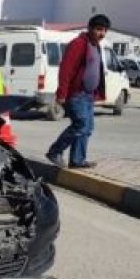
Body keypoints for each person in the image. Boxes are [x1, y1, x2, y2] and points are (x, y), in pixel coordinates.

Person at [46, 14, 111, 169]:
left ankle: (77, 160)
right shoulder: (79, 44)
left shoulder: (96, 46)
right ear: (90, 28)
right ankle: (55, 152)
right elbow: (66, 69)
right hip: (77, 94)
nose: (101, 33)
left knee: (87, 128)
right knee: (80, 125)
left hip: (88, 95)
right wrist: (61, 94)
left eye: (104, 30)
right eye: (98, 29)